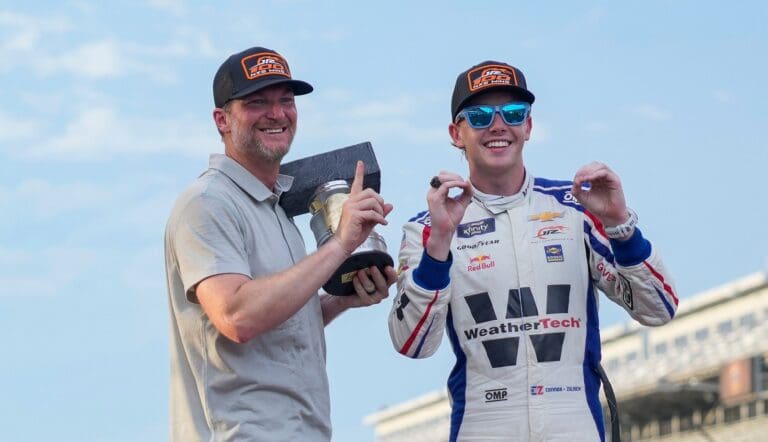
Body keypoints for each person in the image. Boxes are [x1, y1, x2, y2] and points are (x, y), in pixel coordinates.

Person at [388, 60, 678, 441]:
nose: (498, 126)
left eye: (512, 113)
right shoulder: (428, 227)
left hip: (574, 425)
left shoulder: (578, 208)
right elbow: (412, 343)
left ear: (528, 126)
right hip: (483, 427)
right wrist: (440, 243)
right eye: (479, 116)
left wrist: (620, 226)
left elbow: (659, 309)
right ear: (456, 134)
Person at [164, 46, 397, 441]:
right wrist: (339, 246)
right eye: (257, 103)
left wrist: (341, 299)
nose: (276, 114)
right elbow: (237, 316)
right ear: (222, 120)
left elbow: (276, 321)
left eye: (286, 101)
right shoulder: (207, 203)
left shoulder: (276, 211)